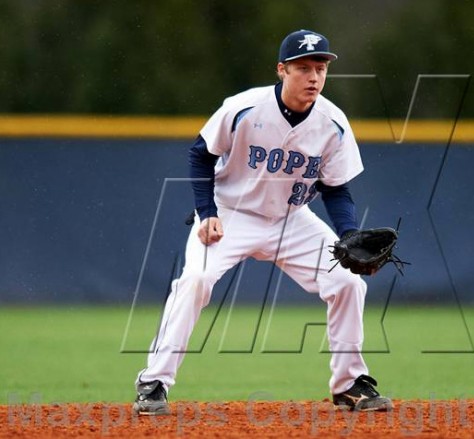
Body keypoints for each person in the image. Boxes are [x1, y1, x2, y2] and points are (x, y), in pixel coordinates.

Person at [133, 29, 392, 415]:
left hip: (292, 219)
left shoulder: (332, 123)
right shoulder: (244, 108)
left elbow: (337, 190)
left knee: (346, 281)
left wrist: (349, 234)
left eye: (320, 68)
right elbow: (200, 154)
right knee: (196, 280)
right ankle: (153, 382)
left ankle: (349, 384)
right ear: (282, 70)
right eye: (303, 67)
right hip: (231, 214)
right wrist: (207, 212)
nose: (314, 76)